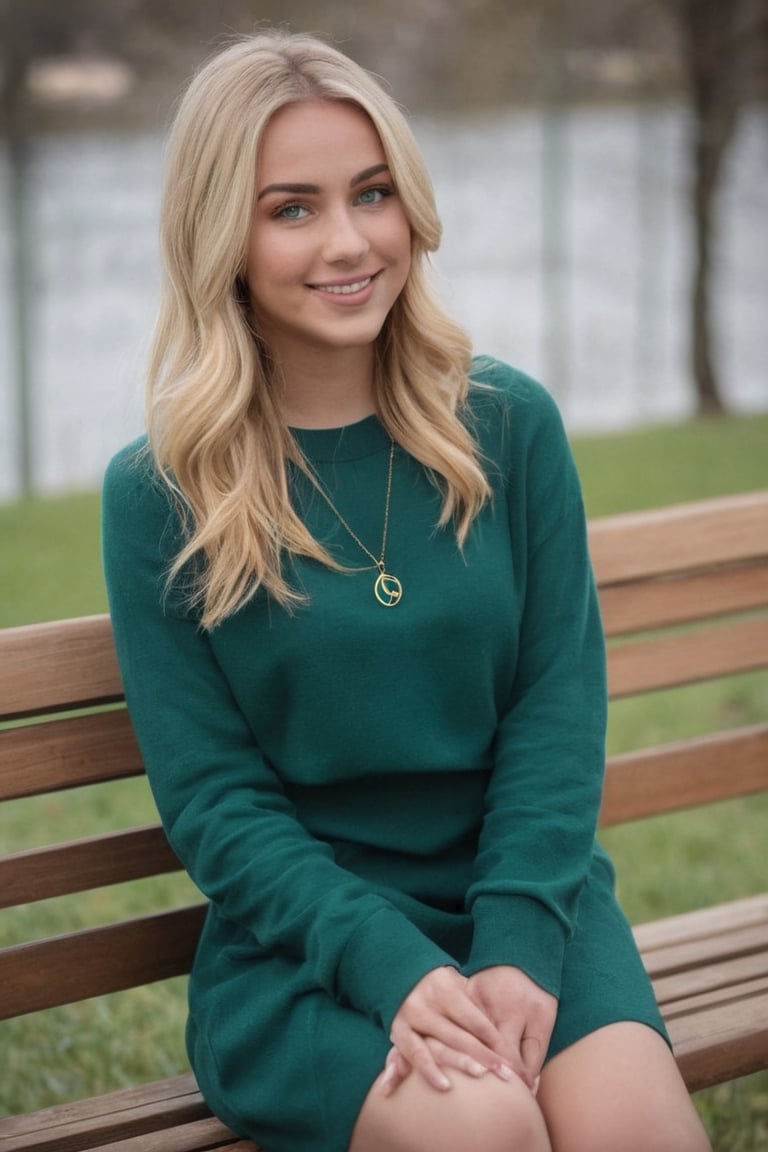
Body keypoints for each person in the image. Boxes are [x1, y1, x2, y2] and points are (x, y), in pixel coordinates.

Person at [102, 29, 712, 1152]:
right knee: (482, 1127)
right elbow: (218, 808)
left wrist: (521, 943)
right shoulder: (162, 494)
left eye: (371, 193)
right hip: (310, 951)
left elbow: (555, 706)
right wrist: (394, 970)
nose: (348, 241)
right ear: (220, 235)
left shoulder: (508, 425)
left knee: (639, 1136)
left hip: (530, 902)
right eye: (292, 208)